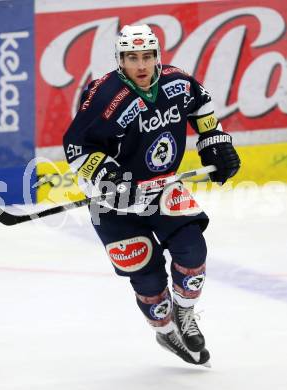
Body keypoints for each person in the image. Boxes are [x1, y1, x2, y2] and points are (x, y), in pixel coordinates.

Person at [63, 24, 240, 366]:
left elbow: (201, 106)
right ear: (120, 60)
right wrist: (107, 176)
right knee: (149, 279)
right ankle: (164, 328)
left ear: (157, 57)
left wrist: (214, 143)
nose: (141, 66)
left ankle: (185, 314)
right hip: (113, 203)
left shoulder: (178, 82)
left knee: (192, 251)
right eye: (132, 58)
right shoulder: (104, 96)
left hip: (163, 188)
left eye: (147, 57)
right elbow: (76, 146)